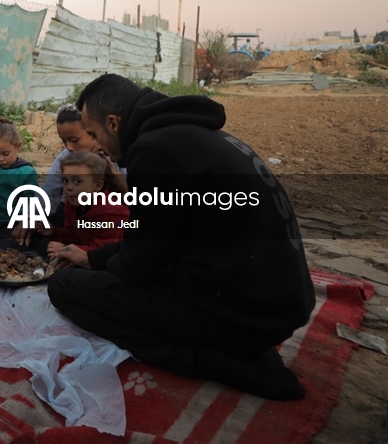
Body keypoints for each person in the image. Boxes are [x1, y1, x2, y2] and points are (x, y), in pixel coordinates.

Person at [47, 73, 315, 401]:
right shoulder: (187, 135)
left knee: (64, 288)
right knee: (98, 275)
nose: (96, 145)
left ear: (114, 123)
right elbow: (155, 241)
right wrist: (92, 257)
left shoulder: (154, 150)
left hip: (243, 316)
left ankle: (219, 362)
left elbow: (140, 266)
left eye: (92, 133)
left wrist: (96, 266)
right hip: (278, 304)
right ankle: (231, 348)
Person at [35, 151, 127, 261]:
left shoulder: (112, 213)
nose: (69, 187)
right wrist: (53, 231)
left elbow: (104, 253)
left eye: (77, 181)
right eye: (65, 181)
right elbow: (74, 236)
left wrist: (65, 250)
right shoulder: (72, 205)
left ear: (97, 186)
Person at [40, 103, 97, 226]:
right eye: (64, 141)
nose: (69, 147)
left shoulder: (113, 156)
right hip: (72, 214)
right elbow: (49, 191)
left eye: (74, 140)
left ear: (93, 133)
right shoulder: (64, 158)